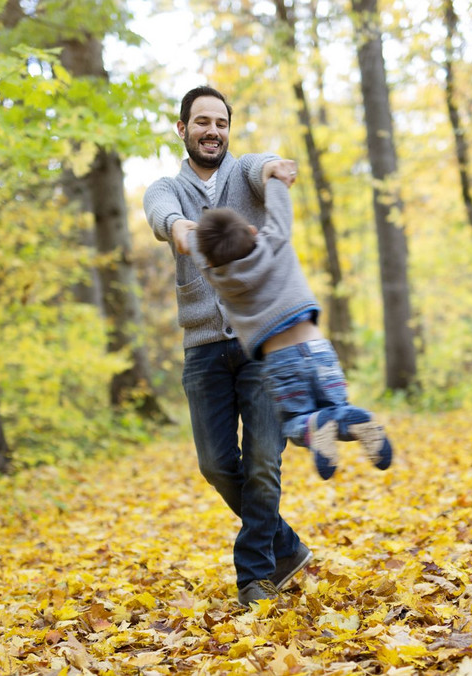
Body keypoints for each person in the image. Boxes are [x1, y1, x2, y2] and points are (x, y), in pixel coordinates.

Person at [142, 86, 311, 606]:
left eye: (220, 122)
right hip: (204, 350)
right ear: (183, 129)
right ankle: (285, 543)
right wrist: (181, 230)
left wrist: (275, 169)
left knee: (263, 459)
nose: (212, 130)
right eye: (201, 122)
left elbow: (261, 165)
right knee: (217, 464)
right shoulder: (168, 186)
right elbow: (160, 212)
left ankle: (256, 576)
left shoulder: (241, 174)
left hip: (262, 340)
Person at [189, 188, 394, 483]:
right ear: (251, 230)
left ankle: (314, 424)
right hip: (319, 348)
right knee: (337, 411)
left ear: (210, 260)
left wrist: (190, 232)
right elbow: (281, 213)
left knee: (298, 424)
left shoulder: (218, 277)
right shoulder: (275, 243)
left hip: (280, 360)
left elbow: (198, 253)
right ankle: (358, 420)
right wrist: (275, 177)